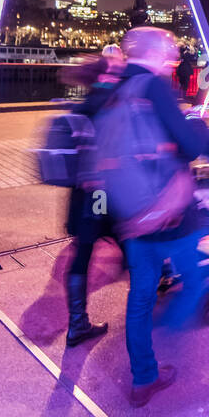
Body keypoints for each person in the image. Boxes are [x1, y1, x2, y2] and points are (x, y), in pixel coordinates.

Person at [105, 27, 209, 407]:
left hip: (131, 217)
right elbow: (190, 146)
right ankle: (170, 331)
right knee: (198, 279)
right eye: (168, 56)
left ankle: (143, 379)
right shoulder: (153, 88)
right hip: (169, 214)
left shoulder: (113, 87)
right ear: (152, 56)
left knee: (141, 296)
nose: (172, 63)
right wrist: (199, 120)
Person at [56, 44, 126, 348]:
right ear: (106, 72)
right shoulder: (110, 102)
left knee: (83, 254)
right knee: (130, 240)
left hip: (81, 194)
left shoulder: (81, 104)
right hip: (103, 193)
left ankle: (77, 323)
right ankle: (149, 300)